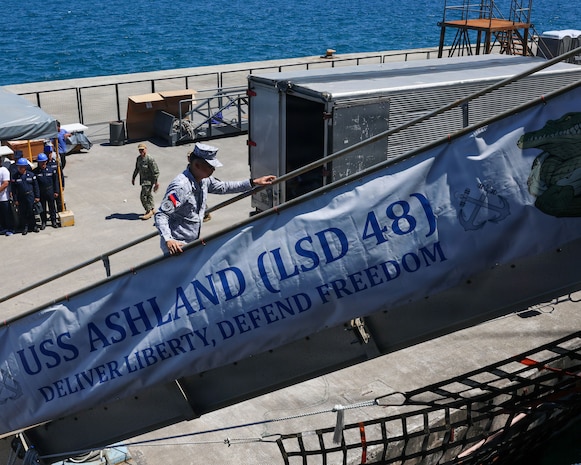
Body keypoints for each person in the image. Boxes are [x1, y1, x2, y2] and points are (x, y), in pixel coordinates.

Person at [155, 143, 276, 255]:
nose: (213, 170)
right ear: (197, 165)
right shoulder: (180, 187)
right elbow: (162, 214)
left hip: (190, 242)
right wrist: (168, 240)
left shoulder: (204, 180)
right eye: (210, 166)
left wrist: (253, 183)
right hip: (176, 245)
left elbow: (223, 187)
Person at [11, 158, 40, 235]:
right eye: (19, 167)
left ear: (25, 167)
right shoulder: (15, 177)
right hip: (21, 197)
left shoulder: (31, 175)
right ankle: (25, 227)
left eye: (22, 167)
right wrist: (15, 199)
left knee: (31, 211)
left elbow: (36, 186)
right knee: (23, 213)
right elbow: (13, 190)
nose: (20, 168)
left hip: (30, 195)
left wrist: (37, 196)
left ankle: (34, 226)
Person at [131, 143, 160, 220]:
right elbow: (137, 169)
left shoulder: (149, 159)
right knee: (148, 195)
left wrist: (156, 182)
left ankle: (148, 211)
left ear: (146, 149)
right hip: (143, 180)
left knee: (143, 196)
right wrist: (133, 178)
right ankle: (152, 208)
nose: (141, 151)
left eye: (142, 150)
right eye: (140, 150)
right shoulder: (139, 159)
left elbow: (155, 171)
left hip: (149, 181)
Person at [34, 153, 60, 229]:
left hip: (50, 191)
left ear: (46, 161)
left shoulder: (51, 170)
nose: (42, 164)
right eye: (40, 162)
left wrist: (56, 191)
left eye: (43, 162)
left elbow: (55, 181)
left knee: (52, 207)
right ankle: (44, 222)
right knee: (43, 209)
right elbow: (35, 185)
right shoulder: (35, 172)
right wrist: (37, 195)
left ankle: (54, 221)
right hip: (41, 192)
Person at [0, 156, 14, 236]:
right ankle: (3, 228)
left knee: (7, 215)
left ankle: (10, 229)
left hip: (4, 198)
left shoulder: (4, 170)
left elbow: (5, 183)